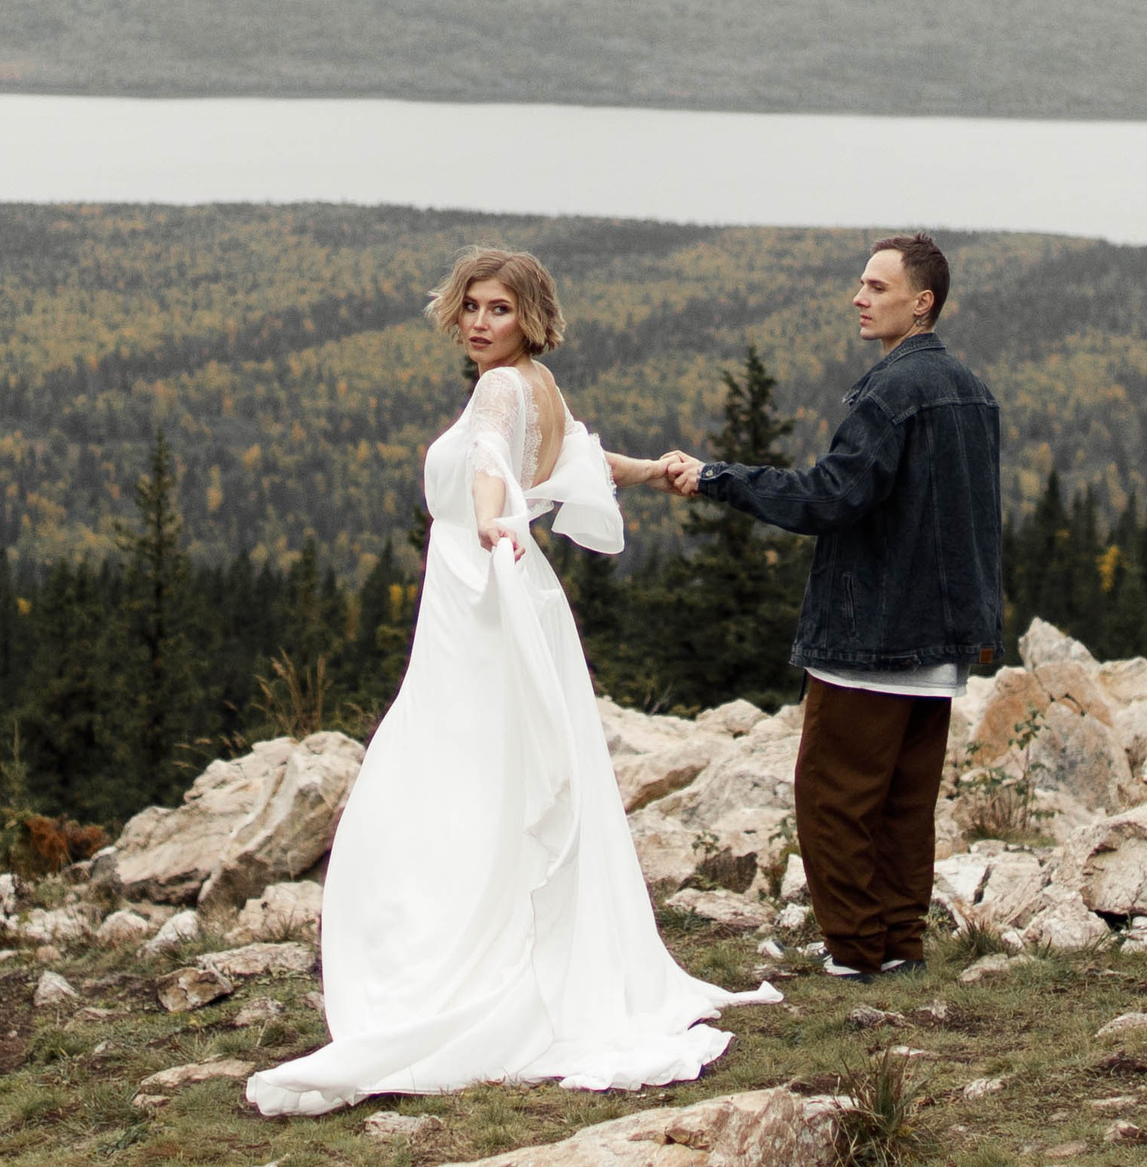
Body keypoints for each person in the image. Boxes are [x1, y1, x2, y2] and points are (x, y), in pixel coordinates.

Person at [247, 247, 776, 1119]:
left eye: (498, 308)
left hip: (482, 588)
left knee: (451, 767)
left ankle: (462, 954)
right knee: (501, 765)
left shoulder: (501, 391)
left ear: (531, 315)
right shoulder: (540, 384)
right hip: (511, 584)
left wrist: (492, 518)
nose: (479, 322)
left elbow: (495, 457)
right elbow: (582, 461)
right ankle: (523, 939)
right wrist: (656, 471)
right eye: (470, 307)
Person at [664, 233, 1001, 981]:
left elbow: (829, 496)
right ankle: (900, 944)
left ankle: (854, 950)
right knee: (905, 806)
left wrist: (718, 476)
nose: (858, 296)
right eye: (861, 283)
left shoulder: (889, 392)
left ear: (922, 303)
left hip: (871, 636)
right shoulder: (973, 391)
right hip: (939, 644)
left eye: (877, 286)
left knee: (834, 799)